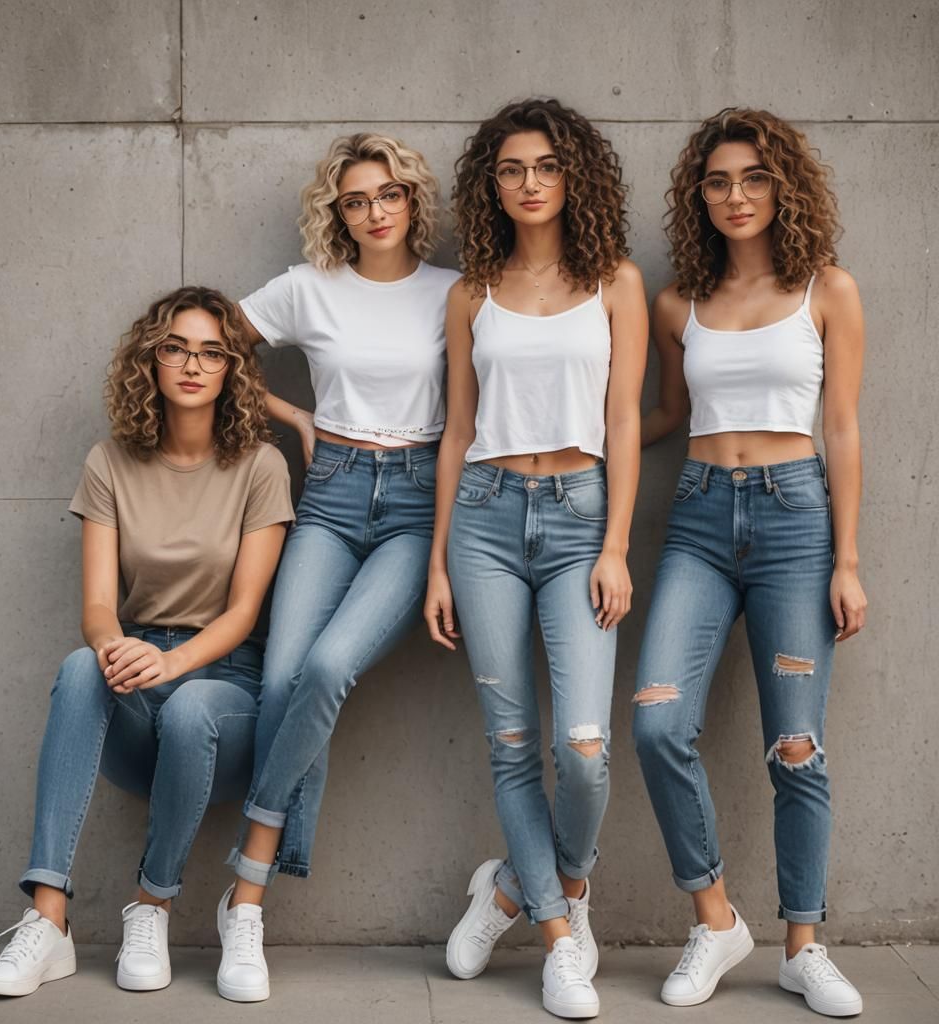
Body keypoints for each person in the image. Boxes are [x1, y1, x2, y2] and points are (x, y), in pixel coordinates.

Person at [0, 286, 293, 997]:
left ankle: (152, 904)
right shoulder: (111, 460)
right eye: (176, 347)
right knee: (81, 666)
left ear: (231, 369)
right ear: (150, 359)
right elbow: (95, 604)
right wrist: (116, 648)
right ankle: (48, 920)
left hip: (226, 686)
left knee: (192, 708)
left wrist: (172, 660)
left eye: (213, 351)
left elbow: (243, 614)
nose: (192, 364)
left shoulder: (261, 467)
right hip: (136, 671)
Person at [633, 107, 867, 1018]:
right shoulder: (676, 305)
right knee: (656, 725)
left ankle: (804, 944)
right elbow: (660, 416)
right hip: (695, 520)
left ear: (784, 188)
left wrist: (847, 559)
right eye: (720, 181)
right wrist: (569, 446)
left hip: (796, 524)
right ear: (700, 194)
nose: (737, 196)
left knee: (796, 747)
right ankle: (716, 918)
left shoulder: (827, 292)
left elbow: (841, 428)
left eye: (755, 179)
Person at [217, 133, 459, 1002]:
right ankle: (253, 896)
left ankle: (247, 890)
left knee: (325, 667)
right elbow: (211, 342)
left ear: (412, 201)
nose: (375, 212)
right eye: (356, 200)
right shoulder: (306, 288)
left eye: (389, 194)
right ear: (337, 212)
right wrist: (292, 414)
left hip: (416, 505)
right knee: (280, 677)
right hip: (331, 490)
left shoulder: (453, 293)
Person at [426, 98, 647, 1019]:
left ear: (574, 177)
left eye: (546, 167)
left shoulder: (616, 282)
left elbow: (628, 419)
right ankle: (560, 940)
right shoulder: (470, 289)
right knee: (512, 745)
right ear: (493, 182)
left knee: (584, 750)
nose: (528, 184)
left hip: (578, 517)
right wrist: (438, 562)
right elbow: (456, 432)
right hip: (481, 517)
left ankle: (521, 888)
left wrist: (616, 546)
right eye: (511, 169)